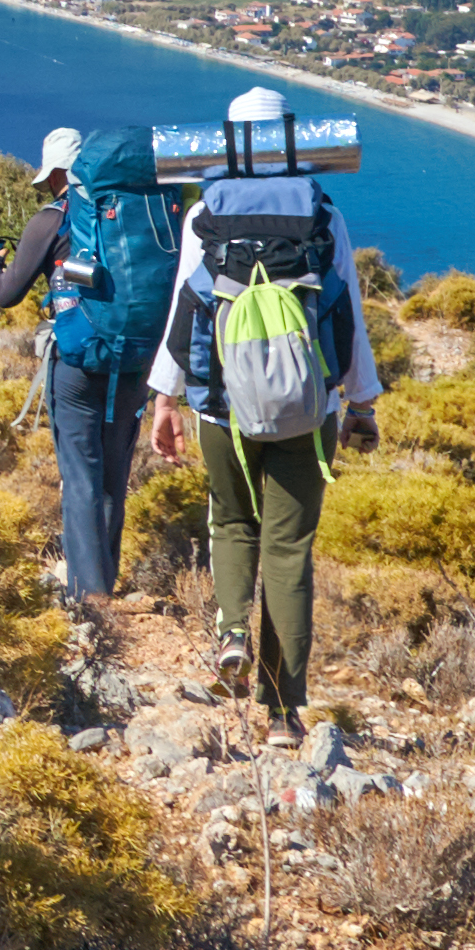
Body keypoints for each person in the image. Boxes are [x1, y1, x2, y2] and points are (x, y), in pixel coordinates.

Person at [151, 86, 370, 723]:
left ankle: (231, 636)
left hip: (222, 405)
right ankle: (283, 710)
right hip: (309, 407)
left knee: (230, 521)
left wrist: (166, 398)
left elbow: (183, 308)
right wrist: (360, 404)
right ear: (292, 138)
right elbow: (347, 311)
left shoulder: (206, 215)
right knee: (288, 549)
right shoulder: (323, 214)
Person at [0, 126, 150, 603]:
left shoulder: (53, 219)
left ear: (58, 173)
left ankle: (89, 594)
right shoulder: (132, 215)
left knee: (80, 474)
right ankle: (106, 579)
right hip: (134, 362)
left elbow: (5, 294)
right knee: (114, 470)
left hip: (76, 363)